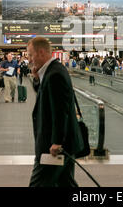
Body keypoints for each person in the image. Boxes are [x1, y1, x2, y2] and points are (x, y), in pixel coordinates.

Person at [27, 37, 83, 187]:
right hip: (62, 143)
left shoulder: (55, 74)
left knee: (37, 185)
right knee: (65, 183)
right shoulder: (51, 71)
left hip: (54, 146)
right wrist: (37, 80)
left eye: (31, 55)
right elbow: (48, 99)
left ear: (41, 52)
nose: (29, 59)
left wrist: (57, 141)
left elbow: (60, 112)